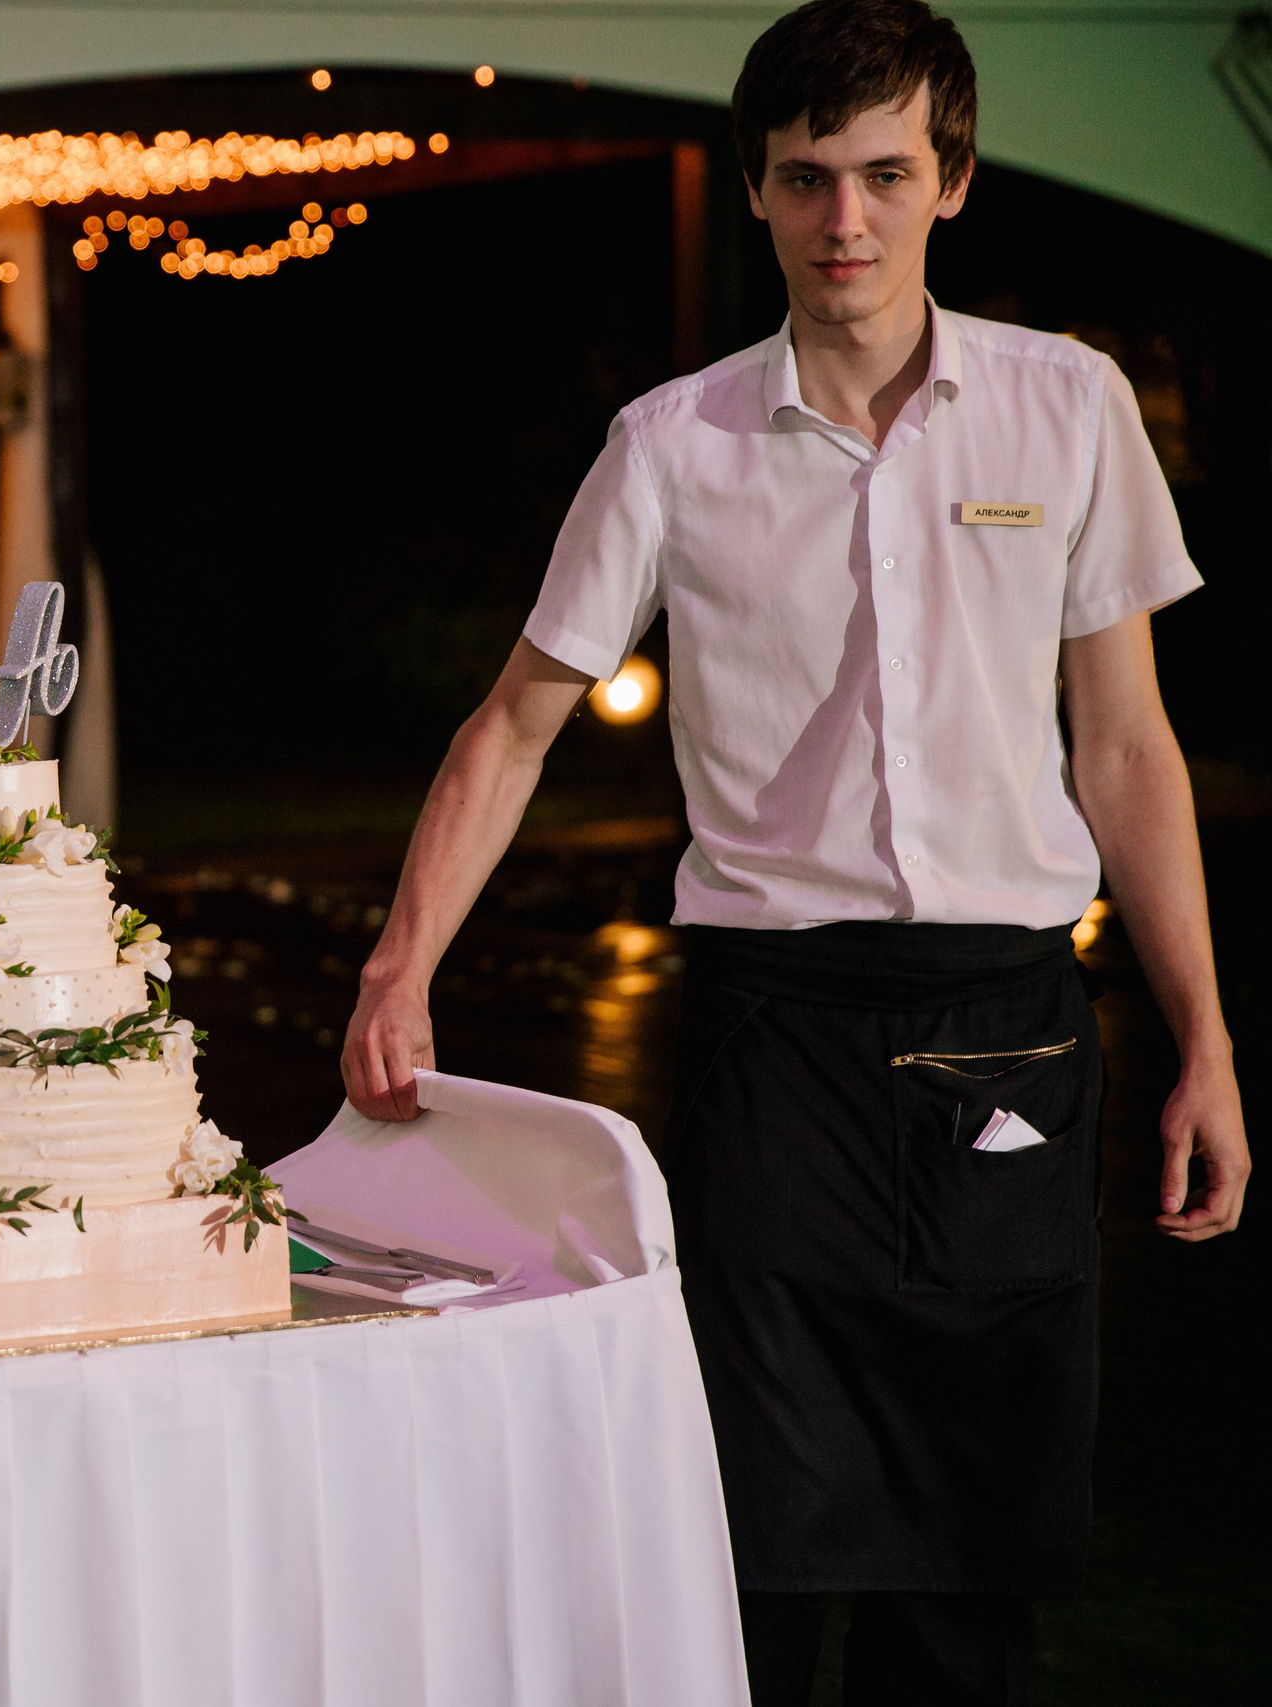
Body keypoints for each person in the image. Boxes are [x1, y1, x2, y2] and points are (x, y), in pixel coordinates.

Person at [340, 3, 1248, 1701]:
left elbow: (1126, 749)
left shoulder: (1068, 408)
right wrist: (403, 963)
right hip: (772, 1055)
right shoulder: (670, 447)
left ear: (952, 182)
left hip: (1012, 1034)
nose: (848, 220)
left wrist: (1205, 1045)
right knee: (749, 1542)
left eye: (887, 175)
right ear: (757, 194)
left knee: (970, 1575)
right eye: (809, 178)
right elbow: (516, 725)